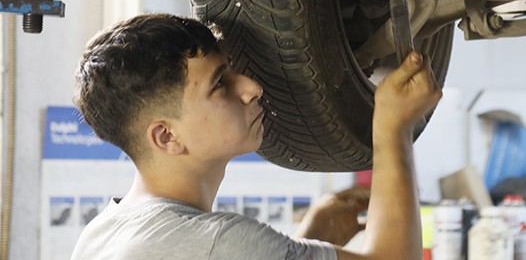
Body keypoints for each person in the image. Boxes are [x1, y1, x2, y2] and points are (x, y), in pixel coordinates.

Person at [71, 13, 442, 259]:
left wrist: (308, 236)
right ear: (167, 136)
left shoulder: (102, 234)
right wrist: (393, 128)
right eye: (220, 84)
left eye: (232, 70)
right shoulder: (214, 242)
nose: (250, 87)